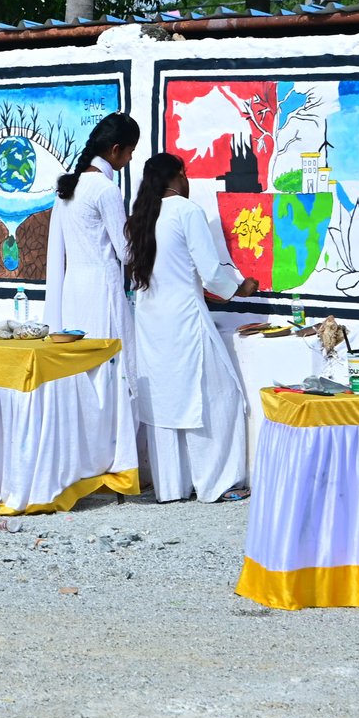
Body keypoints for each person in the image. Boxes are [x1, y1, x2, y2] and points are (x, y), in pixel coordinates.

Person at [125, 153, 259, 503]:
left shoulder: (141, 217)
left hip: (151, 322)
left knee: (166, 403)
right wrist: (240, 289)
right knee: (219, 398)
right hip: (185, 318)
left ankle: (171, 486)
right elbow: (211, 271)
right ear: (181, 176)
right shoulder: (186, 211)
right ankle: (217, 482)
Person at [42, 112, 141, 342]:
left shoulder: (70, 186)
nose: (130, 159)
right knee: (105, 362)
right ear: (115, 149)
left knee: (79, 364)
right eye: (130, 152)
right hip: (101, 289)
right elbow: (126, 253)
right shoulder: (105, 189)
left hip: (73, 288)